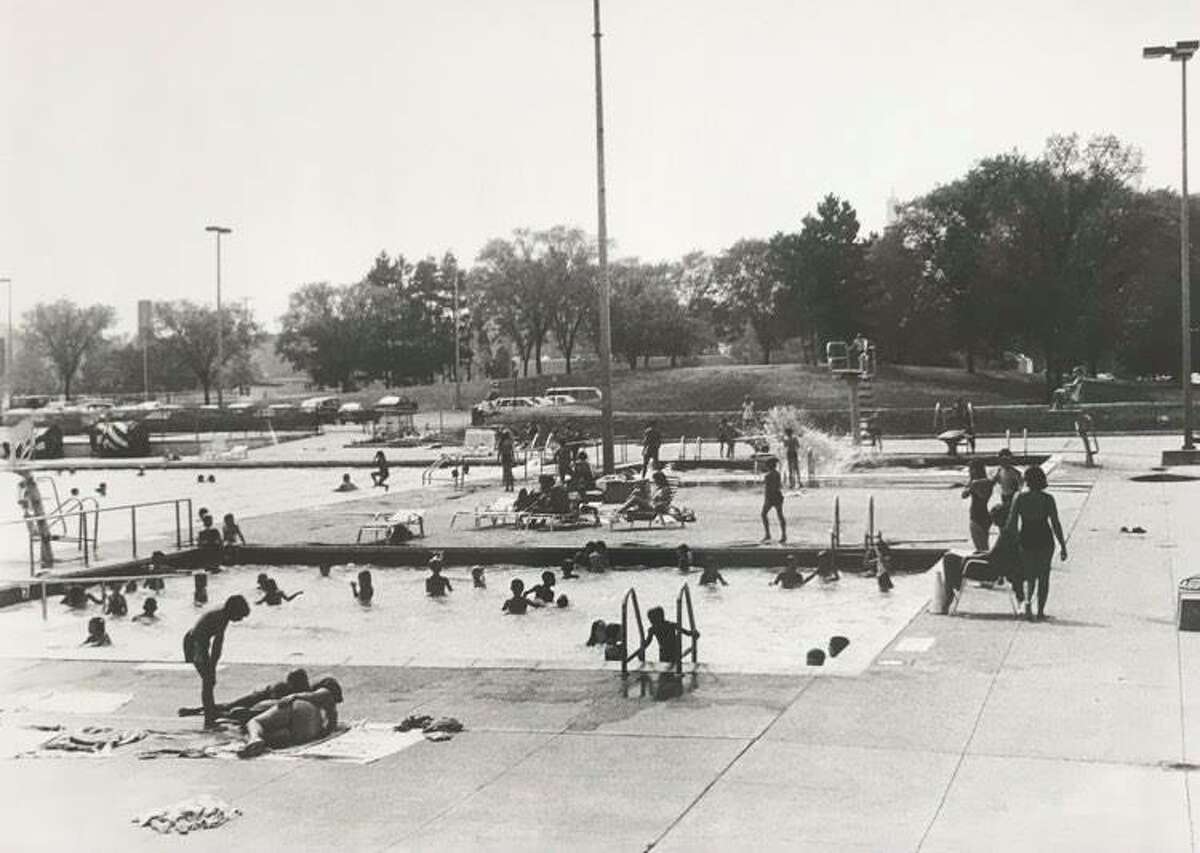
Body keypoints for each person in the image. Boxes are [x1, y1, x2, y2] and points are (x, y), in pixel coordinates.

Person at [1004, 465, 1068, 621]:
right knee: (1044, 576)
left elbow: (1011, 523)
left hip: (1026, 537)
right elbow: (1055, 524)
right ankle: (1040, 612)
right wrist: (1063, 545)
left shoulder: (1019, 497)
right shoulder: (1047, 499)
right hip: (1044, 538)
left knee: (1029, 574)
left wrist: (1011, 541)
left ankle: (1027, 605)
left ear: (1027, 481)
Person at [183, 595, 251, 728]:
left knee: (209, 680)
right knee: (208, 680)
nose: (240, 619)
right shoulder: (221, 617)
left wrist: (213, 665)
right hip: (195, 643)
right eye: (240, 616)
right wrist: (212, 667)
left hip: (199, 641)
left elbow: (217, 644)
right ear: (233, 611)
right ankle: (209, 716)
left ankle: (210, 710)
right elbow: (217, 645)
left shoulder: (223, 613)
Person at [238, 677, 343, 758]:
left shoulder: (321, 694)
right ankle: (262, 740)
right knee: (281, 734)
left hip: (299, 710)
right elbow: (330, 726)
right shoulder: (328, 710)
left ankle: (254, 738)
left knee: (254, 722)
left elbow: (315, 695)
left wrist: (294, 696)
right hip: (309, 732)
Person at [179, 668, 310, 718]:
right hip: (261, 695)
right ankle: (196, 710)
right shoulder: (282, 687)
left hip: (265, 696)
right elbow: (270, 701)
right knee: (230, 706)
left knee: (233, 709)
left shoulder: (303, 689)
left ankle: (211, 713)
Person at [961, 459, 996, 552]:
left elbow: (964, 495)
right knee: (984, 545)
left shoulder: (975, 483)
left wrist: (971, 486)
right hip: (985, 515)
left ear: (975, 470)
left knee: (980, 548)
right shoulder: (987, 482)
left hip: (976, 516)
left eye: (970, 469)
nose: (969, 472)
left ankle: (984, 564)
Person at [760, 458, 787, 544]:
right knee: (780, 515)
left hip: (771, 498)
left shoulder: (767, 476)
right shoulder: (777, 474)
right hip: (778, 496)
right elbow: (778, 486)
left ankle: (768, 534)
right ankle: (783, 535)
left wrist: (767, 499)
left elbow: (768, 489)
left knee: (763, 514)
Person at [992, 449, 1022, 518]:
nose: (1003, 462)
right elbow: (994, 481)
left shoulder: (1014, 472)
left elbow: (1020, 485)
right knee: (1005, 514)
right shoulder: (1000, 470)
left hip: (1012, 495)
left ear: (1010, 460)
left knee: (1012, 514)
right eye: (1001, 460)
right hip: (1004, 495)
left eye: (1006, 460)